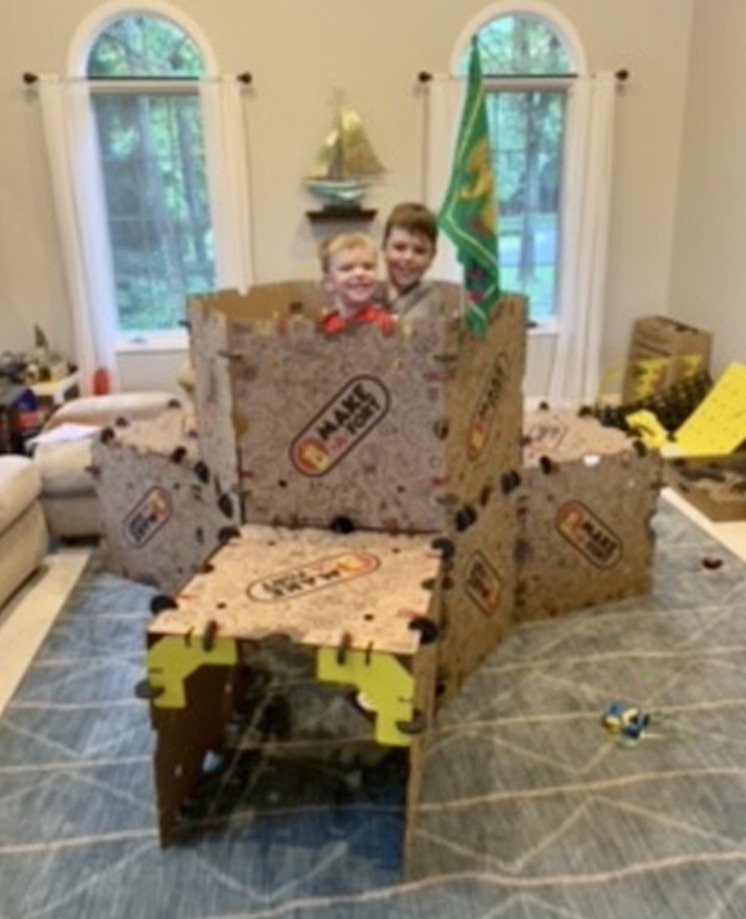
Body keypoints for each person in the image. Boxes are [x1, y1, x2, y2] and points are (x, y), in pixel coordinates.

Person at [318, 232, 394, 336]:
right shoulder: (327, 323)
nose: (360, 273)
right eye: (347, 268)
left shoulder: (382, 322)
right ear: (329, 283)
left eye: (368, 267)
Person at [380, 202, 439, 318]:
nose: (408, 257)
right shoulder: (368, 295)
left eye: (419, 251)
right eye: (399, 247)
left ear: (431, 257)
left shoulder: (431, 304)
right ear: (384, 248)